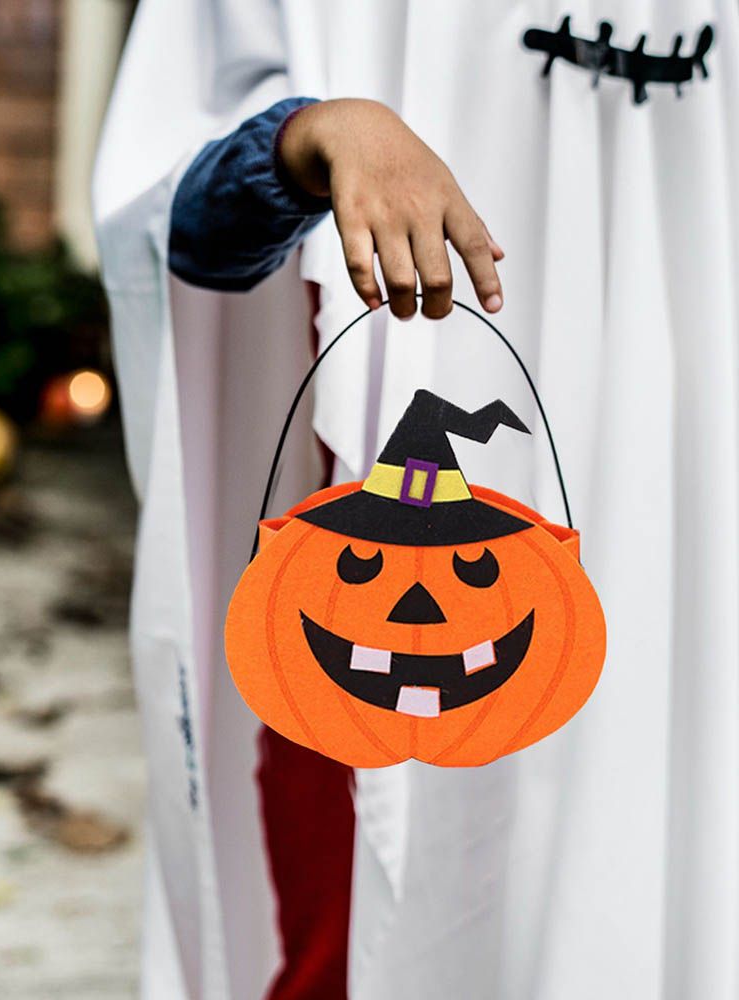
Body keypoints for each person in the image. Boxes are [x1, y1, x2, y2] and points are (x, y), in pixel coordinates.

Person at [94, 3, 739, 998]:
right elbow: (171, 210)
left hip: (690, 458)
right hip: (394, 460)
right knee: (382, 853)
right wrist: (315, 135)